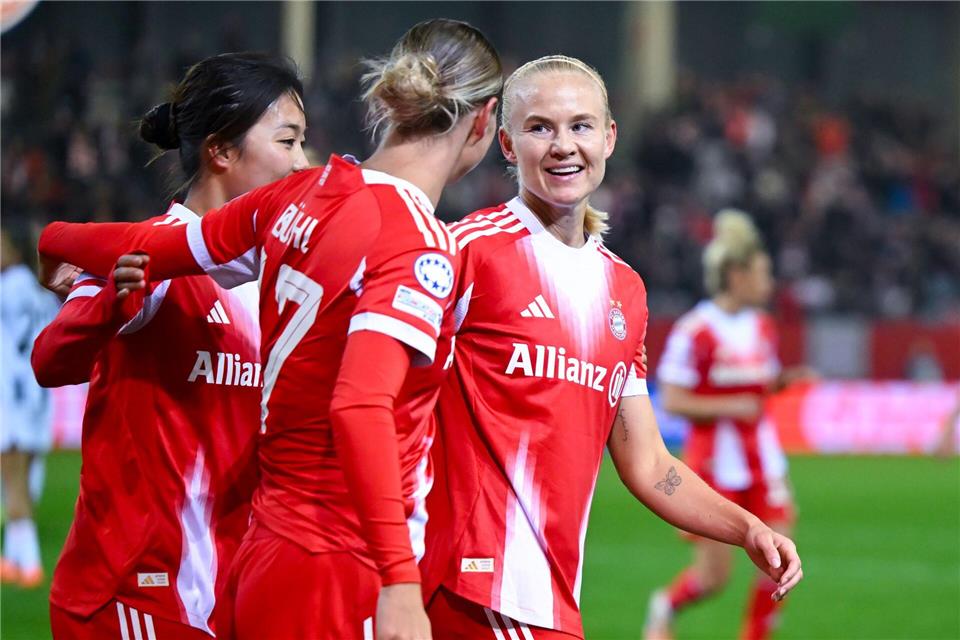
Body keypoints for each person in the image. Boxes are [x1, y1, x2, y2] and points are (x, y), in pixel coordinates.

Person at [38, 19, 503, 640]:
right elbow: (360, 404)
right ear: (482, 120)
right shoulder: (416, 243)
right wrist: (399, 580)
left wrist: (54, 239)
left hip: (256, 557)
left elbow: (156, 246)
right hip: (317, 564)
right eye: (286, 139)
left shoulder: (297, 204)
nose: (297, 155)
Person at [418, 56, 802, 640]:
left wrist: (745, 527)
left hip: (551, 597)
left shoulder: (623, 289)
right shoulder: (466, 253)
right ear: (505, 142)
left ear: (609, 137)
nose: (562, 145)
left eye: (580, 126)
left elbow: (648, 465)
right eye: (539, 127)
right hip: (472, 586)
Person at [32, 52, 308, 639]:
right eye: (287, 142)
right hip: (136, 594)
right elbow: (51, 360)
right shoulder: (146, 254)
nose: (302, 164)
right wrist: (110, 304)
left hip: (231, 593)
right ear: (222, 151)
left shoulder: (282, 284)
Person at [645, 209, 814, 640]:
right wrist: (731, 406)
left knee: (780, 564)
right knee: (714, 579)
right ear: (736, 275)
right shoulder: (695, 331)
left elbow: (758, 389)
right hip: (715, 467)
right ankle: (664, 606)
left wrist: (782, 382)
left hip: (764, 462)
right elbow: (673, 398)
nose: (769, 283)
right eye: (762, 273)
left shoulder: (762, 326)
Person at [0, 227, 58, 588]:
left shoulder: (7, 288)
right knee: (25, 480)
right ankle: (11, 558)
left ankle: (31, 564)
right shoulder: (41, 293)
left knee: (13, 484)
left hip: (11, 398)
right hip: (37, 397)